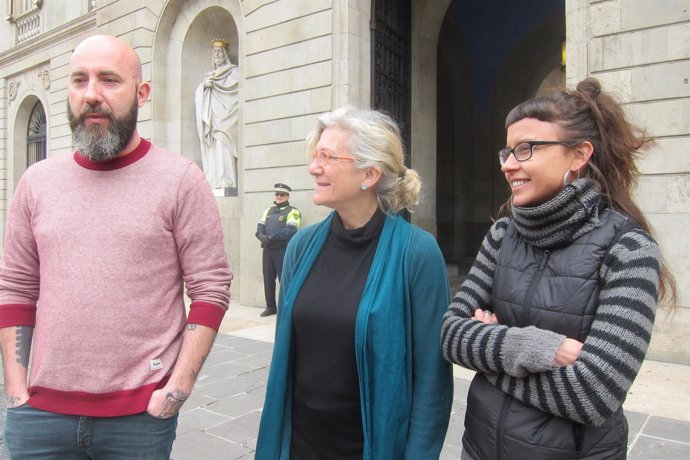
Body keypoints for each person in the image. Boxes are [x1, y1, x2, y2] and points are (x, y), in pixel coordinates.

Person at [0, 35, 233, 459]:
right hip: (38, 417)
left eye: (109, 80)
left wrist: (175, 391)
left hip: (139, 419)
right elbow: (15, 288)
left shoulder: (180, 180)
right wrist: (16, 391)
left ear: (142, 93)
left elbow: (211, 289)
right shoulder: (36, 183)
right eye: (79, 81)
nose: (92, 94)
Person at [441, 78, 677, 460]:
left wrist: (489, 353)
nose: (508, 165)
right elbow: (451, 334)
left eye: (526, 149)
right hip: (481, 448)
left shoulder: (628, 248)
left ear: (579, 154)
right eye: (507, 151)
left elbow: (594, 393)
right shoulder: (502, 234)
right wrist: (535, 348)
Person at [256, 107, 453, 459]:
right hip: (300, 444)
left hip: (370, 448)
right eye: (315, 156)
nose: (313, 167)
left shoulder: (417, 253)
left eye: (327, 157)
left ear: (370, 174)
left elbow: (432, 380)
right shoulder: (301, 247)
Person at [195, 38, 240, 190]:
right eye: (215, 52)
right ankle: (216, 181)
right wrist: (204, 87)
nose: (217, 54)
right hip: (212, 117)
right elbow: (199, 97)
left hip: (227, 118)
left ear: (225, 54)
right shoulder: (209, 76)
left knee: (223, 145)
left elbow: (237, 91)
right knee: (215, 147)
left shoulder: (234, 72)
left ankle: (227, 180)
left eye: (220, 51)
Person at [255, 183, 301, 317]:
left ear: (287, 196)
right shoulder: (268, 211)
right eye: (277, 194)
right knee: (268, 278)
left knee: (284, 279)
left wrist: (270, 237)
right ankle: (270, 307)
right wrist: (263, 237)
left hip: (282, 250)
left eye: (282, 194)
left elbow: (291, 230)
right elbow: (259, 229)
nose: (279, 196)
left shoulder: (293, 211)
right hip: (268, 250)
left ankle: (286, 308)